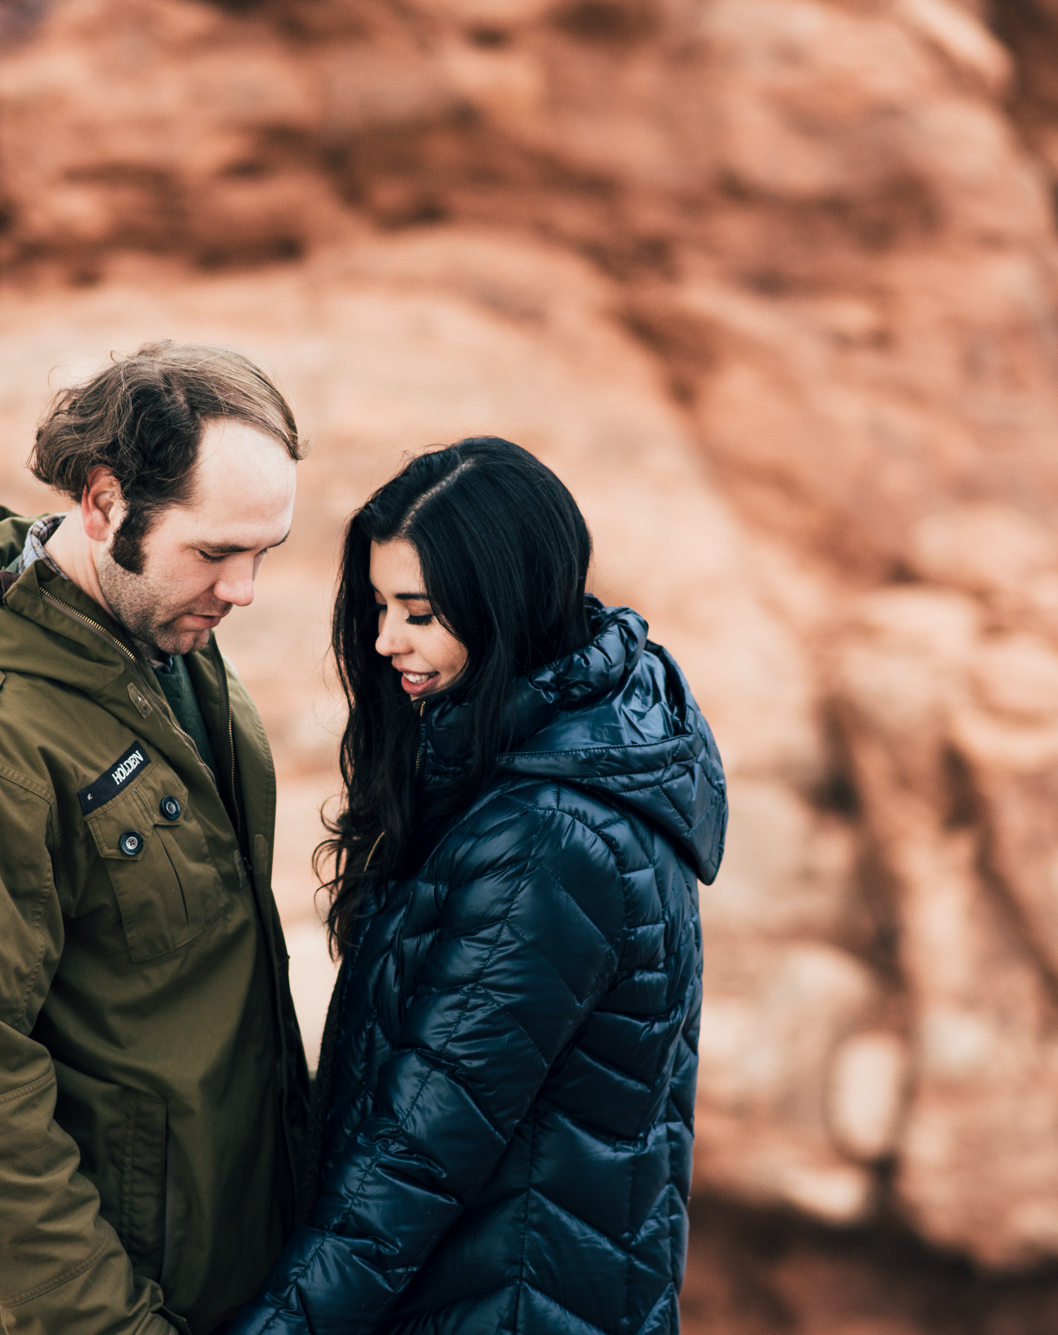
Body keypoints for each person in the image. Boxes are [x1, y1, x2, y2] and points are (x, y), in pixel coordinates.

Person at [0, 342, 314, 1335]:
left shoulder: (163, 640)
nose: (243, 591)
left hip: (234, 1282)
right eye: (215, 552)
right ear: (103, 507)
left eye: (262, 553)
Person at [232, 438, 726, 1335]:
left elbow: (417, 1154)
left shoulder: (551, 835)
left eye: (418, 613)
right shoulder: (543, 763)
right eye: (380, 606)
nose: (385, 642)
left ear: (503, 606)